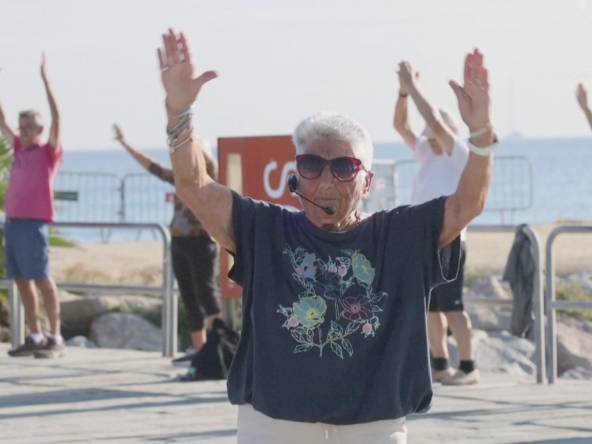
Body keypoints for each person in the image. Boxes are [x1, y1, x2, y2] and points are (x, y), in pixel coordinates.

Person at [157, 28, 496, 443]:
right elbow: (194, 187)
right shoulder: (263, 228)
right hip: (274, 423)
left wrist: (480, 135)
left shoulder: (399, 234)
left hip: (374, 424)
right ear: (296, 174)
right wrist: (179, 111)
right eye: (312, 164)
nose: (327, 180)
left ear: (367, 181)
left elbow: (467, 204)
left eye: (344, 168)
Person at [393, 61, 480, 386]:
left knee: (454, 307)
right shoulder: (428, 154)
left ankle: (469, 366)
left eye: (435, 134)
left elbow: (432, 120)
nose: (429, 138)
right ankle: (440, 364)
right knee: (430, 308)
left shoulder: (458, 153)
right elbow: (401, 125)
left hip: (452, 238)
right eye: (428, 136)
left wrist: (414, 86)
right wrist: (403, 92)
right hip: (424, 240)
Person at [113, 124, 221, 364]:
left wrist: (188, 139)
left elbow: (205, 159)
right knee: (189, 296)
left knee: (207, 293)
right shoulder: (181, 178)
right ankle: (198, 348)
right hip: (179, 241)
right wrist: (125, 143)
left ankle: (220, 345)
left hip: (202, 241)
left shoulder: (210, 175)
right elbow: (151, 166)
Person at [1, 54, 65, 358]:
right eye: (21, 126)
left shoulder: (47, 152)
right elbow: (0, 119)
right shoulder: (17, 149)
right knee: (22, 281)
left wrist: (46, 81)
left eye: (30, 127)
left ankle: (56, 336)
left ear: (39, 130)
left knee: (42, 279)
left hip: (32, 224)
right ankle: (35, 336)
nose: (24, 131)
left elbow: (58, 119)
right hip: (12, 225)